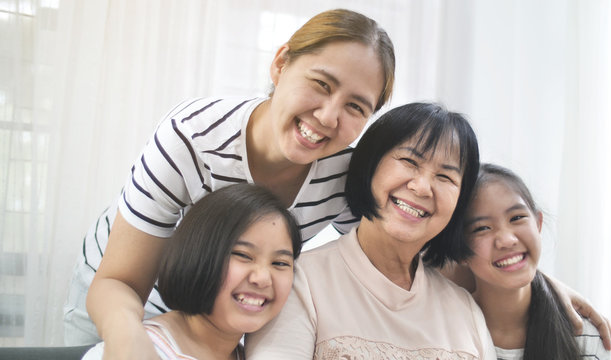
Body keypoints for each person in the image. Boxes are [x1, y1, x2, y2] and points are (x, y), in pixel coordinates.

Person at [63, 8, 395, 356]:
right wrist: (130, 342)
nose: (328, 116)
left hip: (224, 322)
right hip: (125, 304)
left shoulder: (344, 177)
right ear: (281, 64)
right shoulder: (191, 137)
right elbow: (118, 282)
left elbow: (384, 263)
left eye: (356, 107)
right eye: (321, 84)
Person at [245, 102, 497, 359]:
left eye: (445, 177)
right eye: (410, 161)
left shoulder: (464, 309)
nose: (422, 187)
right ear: (370, 163)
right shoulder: (299, 282)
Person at [82, 183, 303, 360]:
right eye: (243, 256)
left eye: (280, 263)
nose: (262, 278)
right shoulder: (131, 352)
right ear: (198, 255)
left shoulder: (258, 354)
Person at [462, 163, 611, 359]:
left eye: (517, 217)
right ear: (459, 251)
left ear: (538, 223)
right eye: (482, 228)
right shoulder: (440, 335)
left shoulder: (584, 337)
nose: (507, 240)